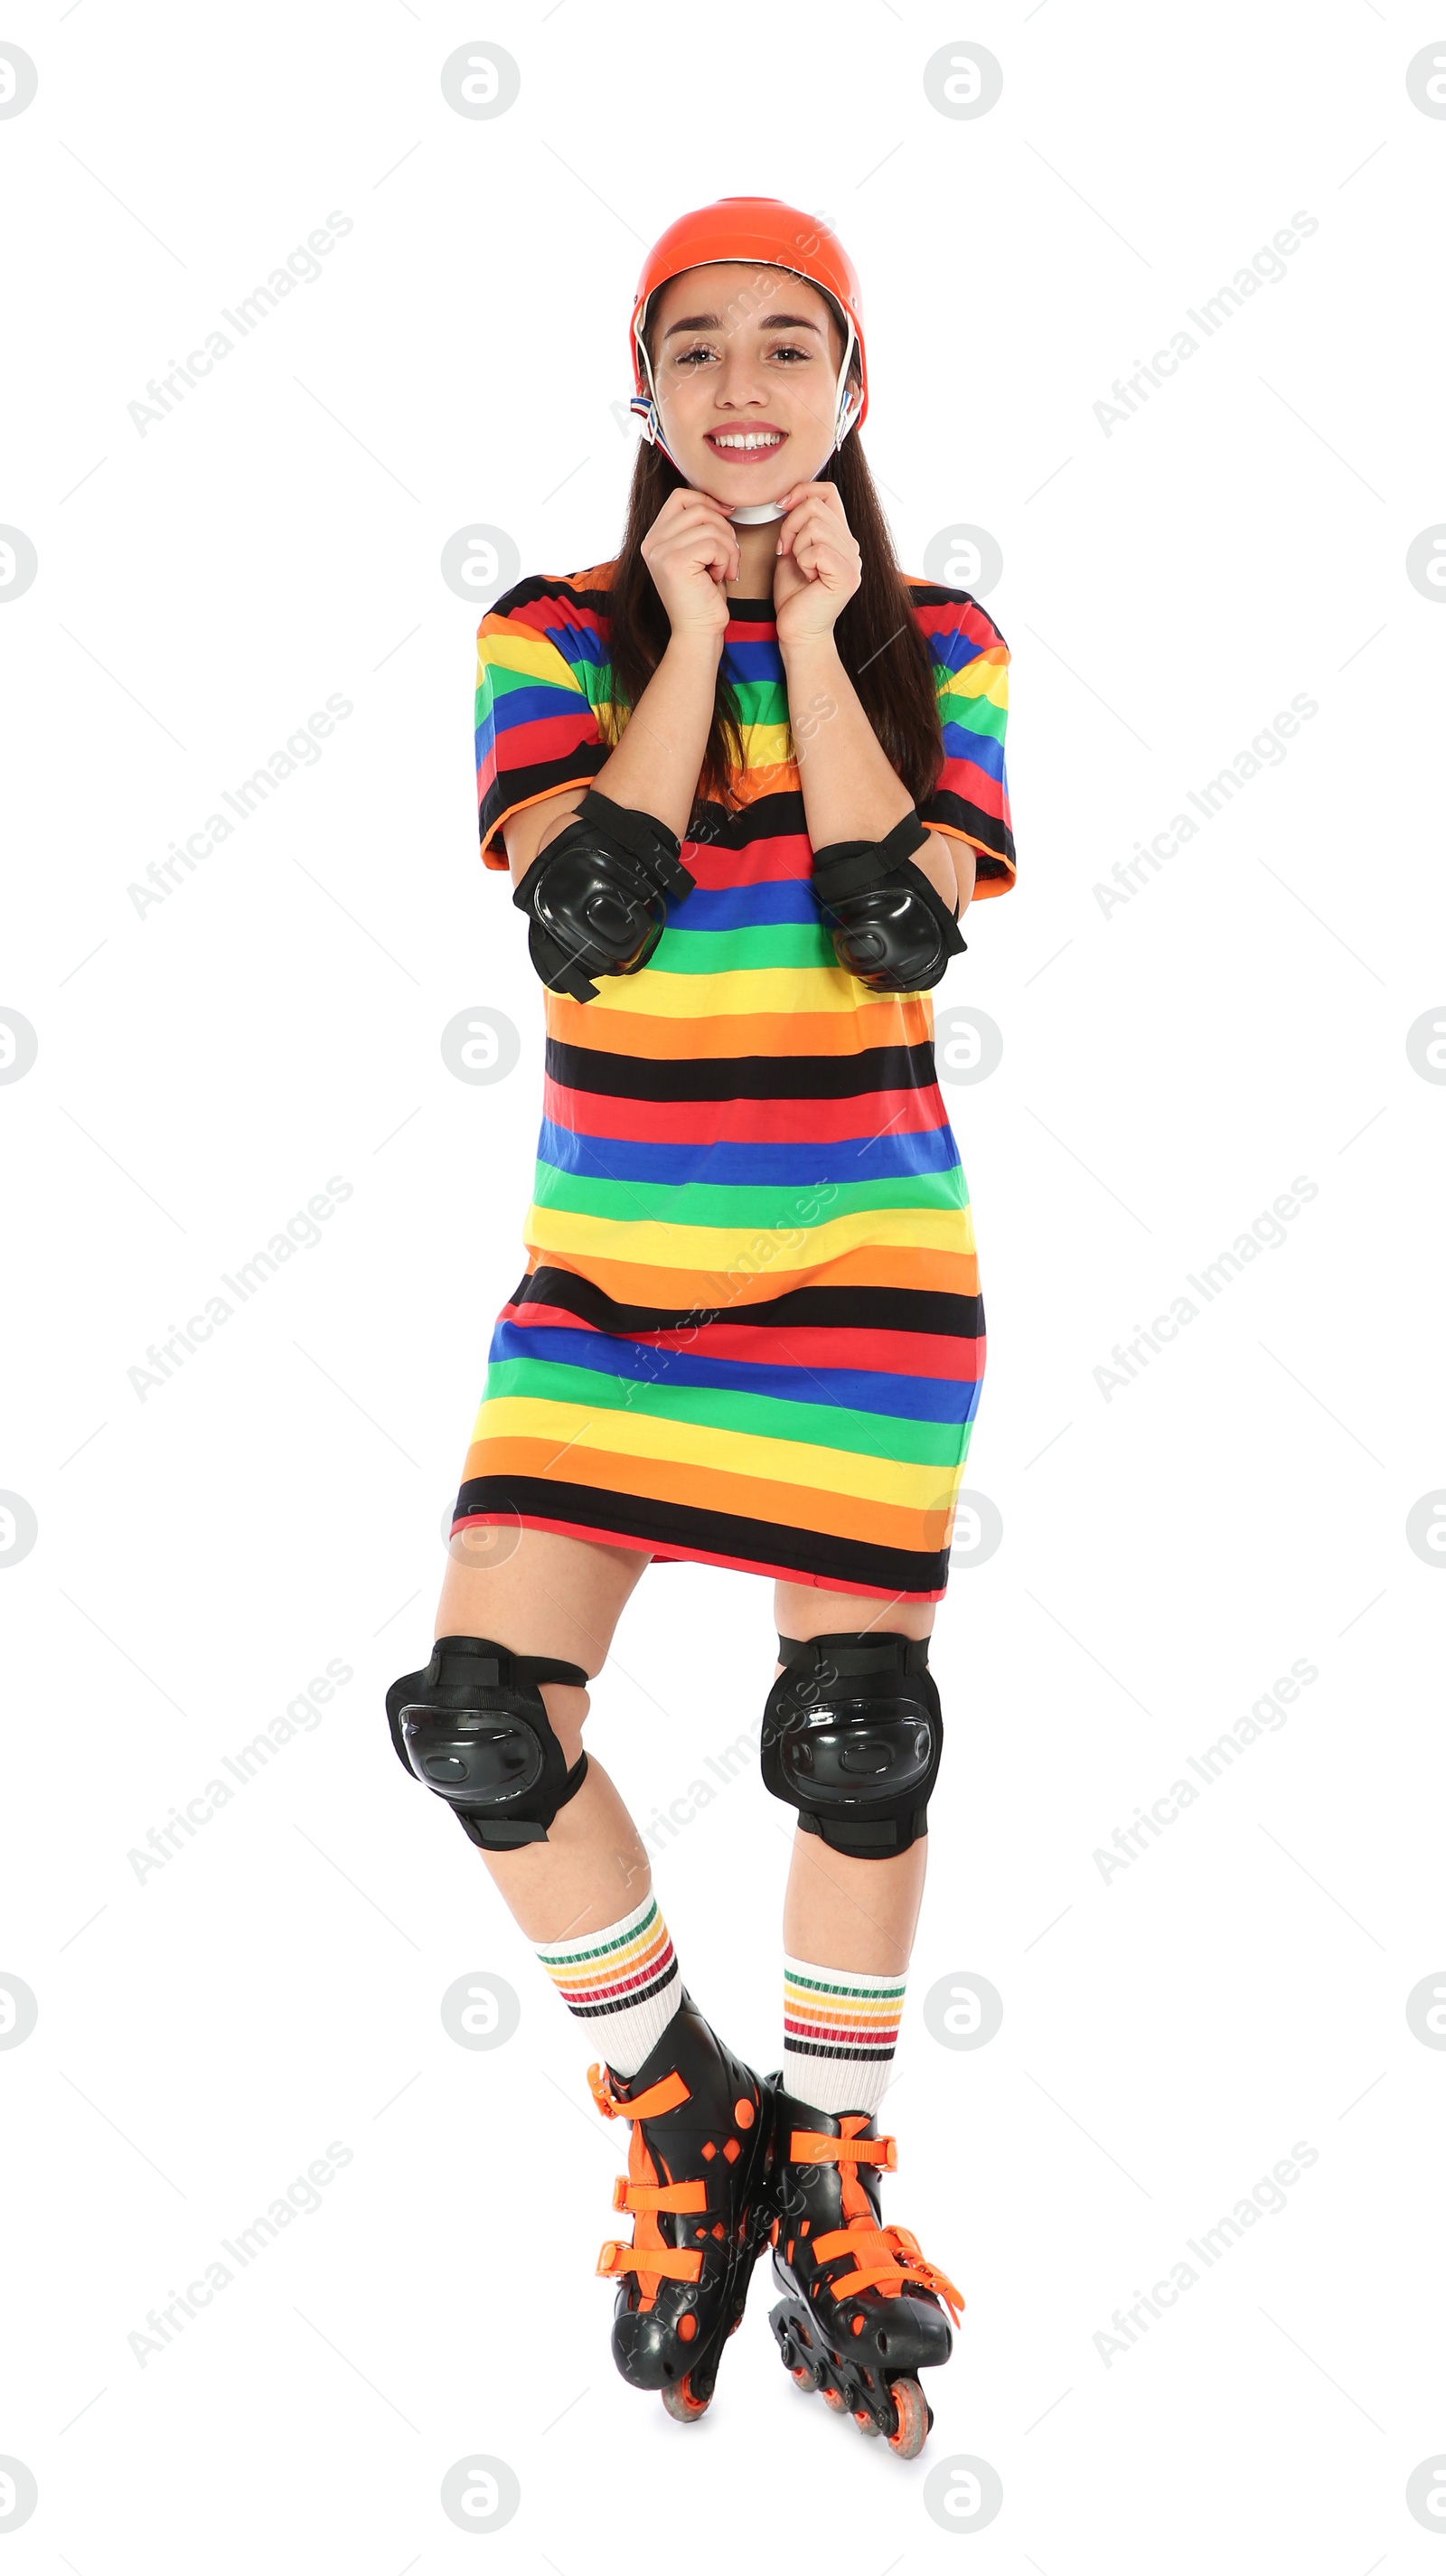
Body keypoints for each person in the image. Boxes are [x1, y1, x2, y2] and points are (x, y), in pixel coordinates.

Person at [386, 197, 1015, 2455]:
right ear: (638, 398)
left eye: (787, 349)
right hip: (609, 1287)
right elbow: (594, 912)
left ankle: (833, 2161)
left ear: (853, 390)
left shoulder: (937, 645)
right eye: (690, 354)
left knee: (855, 1735)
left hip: (859, 1276)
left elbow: (884, 927)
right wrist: (682, 633)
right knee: (477, 1718)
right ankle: (681, 2114)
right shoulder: (544, 630)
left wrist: (811, 642)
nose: (737, 391)